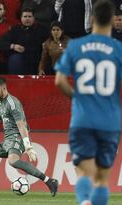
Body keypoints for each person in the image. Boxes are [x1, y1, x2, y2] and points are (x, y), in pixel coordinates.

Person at [55, 1, 122, 204]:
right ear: (112, 20)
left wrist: (78, 97)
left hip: (83, 119)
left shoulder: (76, 46)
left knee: (84, 172)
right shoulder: (118, 49)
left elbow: (59, 81)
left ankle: (84, 201)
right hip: (110, 121)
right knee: (102, 178)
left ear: (91, 19)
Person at [0, 8, 48, 75]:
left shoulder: (41, 29)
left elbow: (50, 40)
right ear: (21, 18)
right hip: (20, 59)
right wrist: (13, 46)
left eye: (29, 16)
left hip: (36, 58)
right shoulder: (15, 29)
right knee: (15, 59)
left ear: (34, 18)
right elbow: (1, 42)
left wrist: (47, 44)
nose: (27, 19)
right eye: (25, 16)